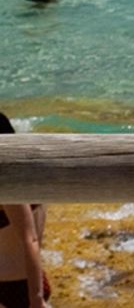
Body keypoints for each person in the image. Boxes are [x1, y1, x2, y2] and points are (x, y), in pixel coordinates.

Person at [0, 111, 51, 308]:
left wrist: (36, 298)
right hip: (29, 282)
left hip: (14, 287)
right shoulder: (30, 176)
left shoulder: (7, 185)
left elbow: (29, 239)